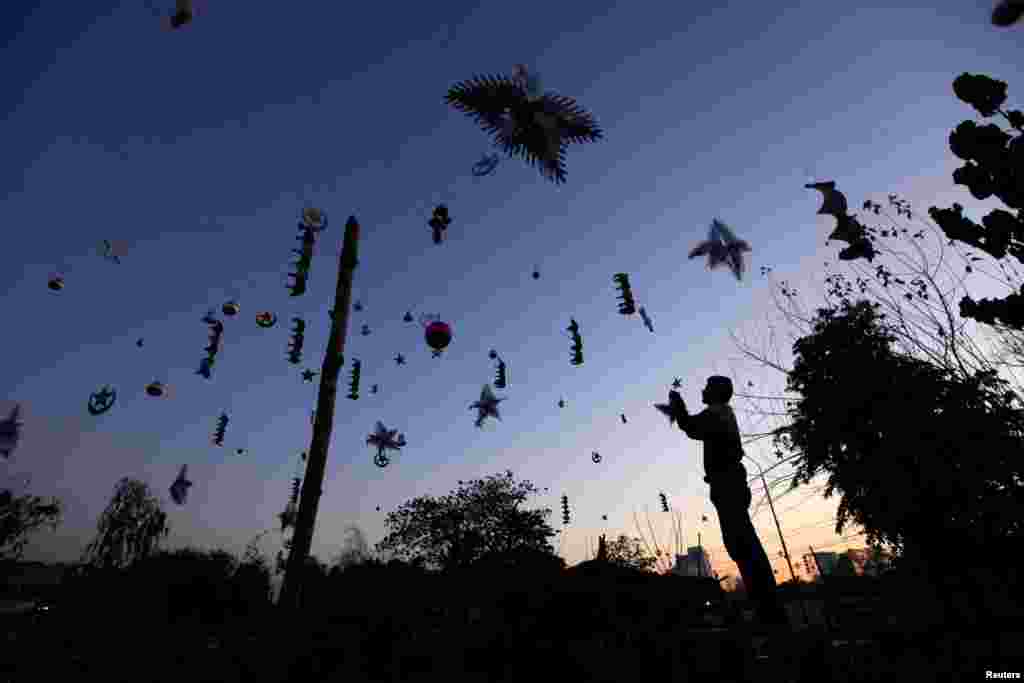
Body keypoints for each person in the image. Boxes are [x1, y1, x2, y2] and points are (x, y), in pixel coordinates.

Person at [658, 376, 789, 627]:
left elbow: (693, 427)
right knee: (743, 545)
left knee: (742, 545)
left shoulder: (716, 413)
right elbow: (695, 427)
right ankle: (768, 611)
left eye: (707, 387)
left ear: (716, 392)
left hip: (727, 483)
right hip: (729, 482)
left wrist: (679, 409)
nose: (703, 390)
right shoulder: (721, 413)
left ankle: (770, 614)